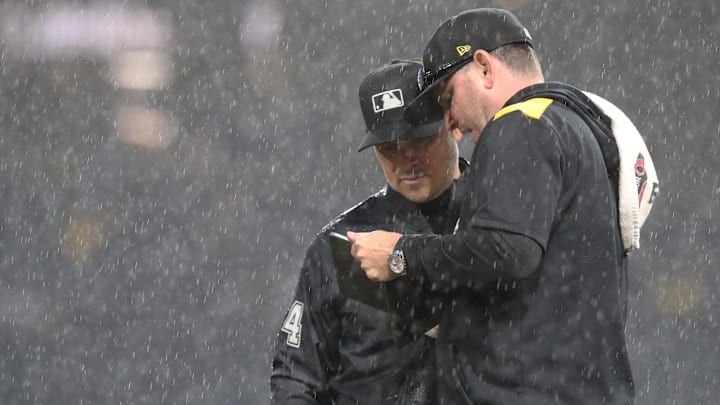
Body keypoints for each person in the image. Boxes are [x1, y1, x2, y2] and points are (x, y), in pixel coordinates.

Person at [349, 8, 657, 405]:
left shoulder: (520, 123)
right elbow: (526, 279)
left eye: (447, 98)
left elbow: (508, 251)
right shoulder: (572, 124)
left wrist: (400, 254)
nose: (450, 123)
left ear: (484, 68)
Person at [270, 60, 468, 405]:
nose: (406, 159)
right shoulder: (341, 246)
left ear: (453, 124)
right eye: (389, 146)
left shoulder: (500, 225)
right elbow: (296, 376)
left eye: (418, 139)